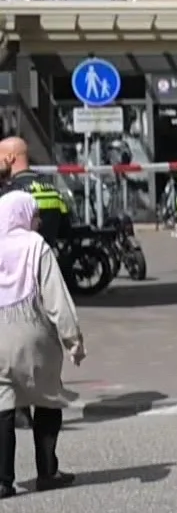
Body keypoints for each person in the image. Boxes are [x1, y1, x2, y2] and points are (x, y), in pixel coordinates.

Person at [0, 193, 82, 497]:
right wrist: (73, 341)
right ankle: (47, 472)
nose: (38, 222)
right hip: (33, 335)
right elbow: (57, 299)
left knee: (2, 407)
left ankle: (3, 480)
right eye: (35, 215)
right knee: (48, 397)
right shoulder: (36, 246)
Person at [0, 137, 70, 244]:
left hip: (18, 253)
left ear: (10, 158)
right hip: (46, 251)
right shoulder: (53, 190)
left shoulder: (8, 193)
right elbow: (65, 230)